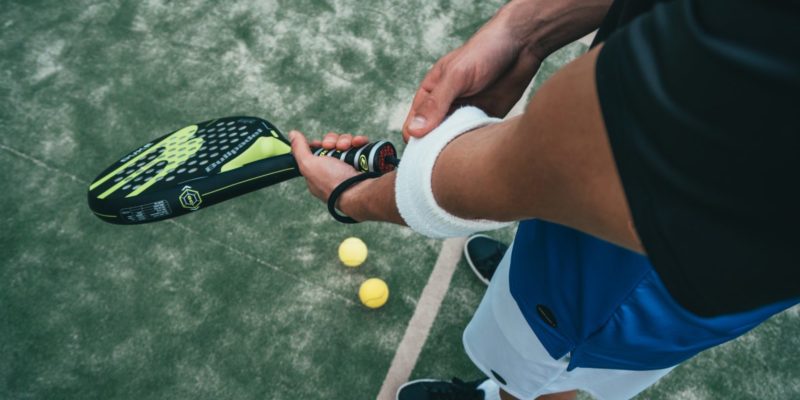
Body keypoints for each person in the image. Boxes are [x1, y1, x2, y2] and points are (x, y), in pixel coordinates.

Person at [289, 0, 800, 399]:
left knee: (539, 364)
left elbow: (539, 167)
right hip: (679, 249)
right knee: (549, 308)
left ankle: (509, 391)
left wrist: (351, 196)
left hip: (621, 281)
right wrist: (526, 27)